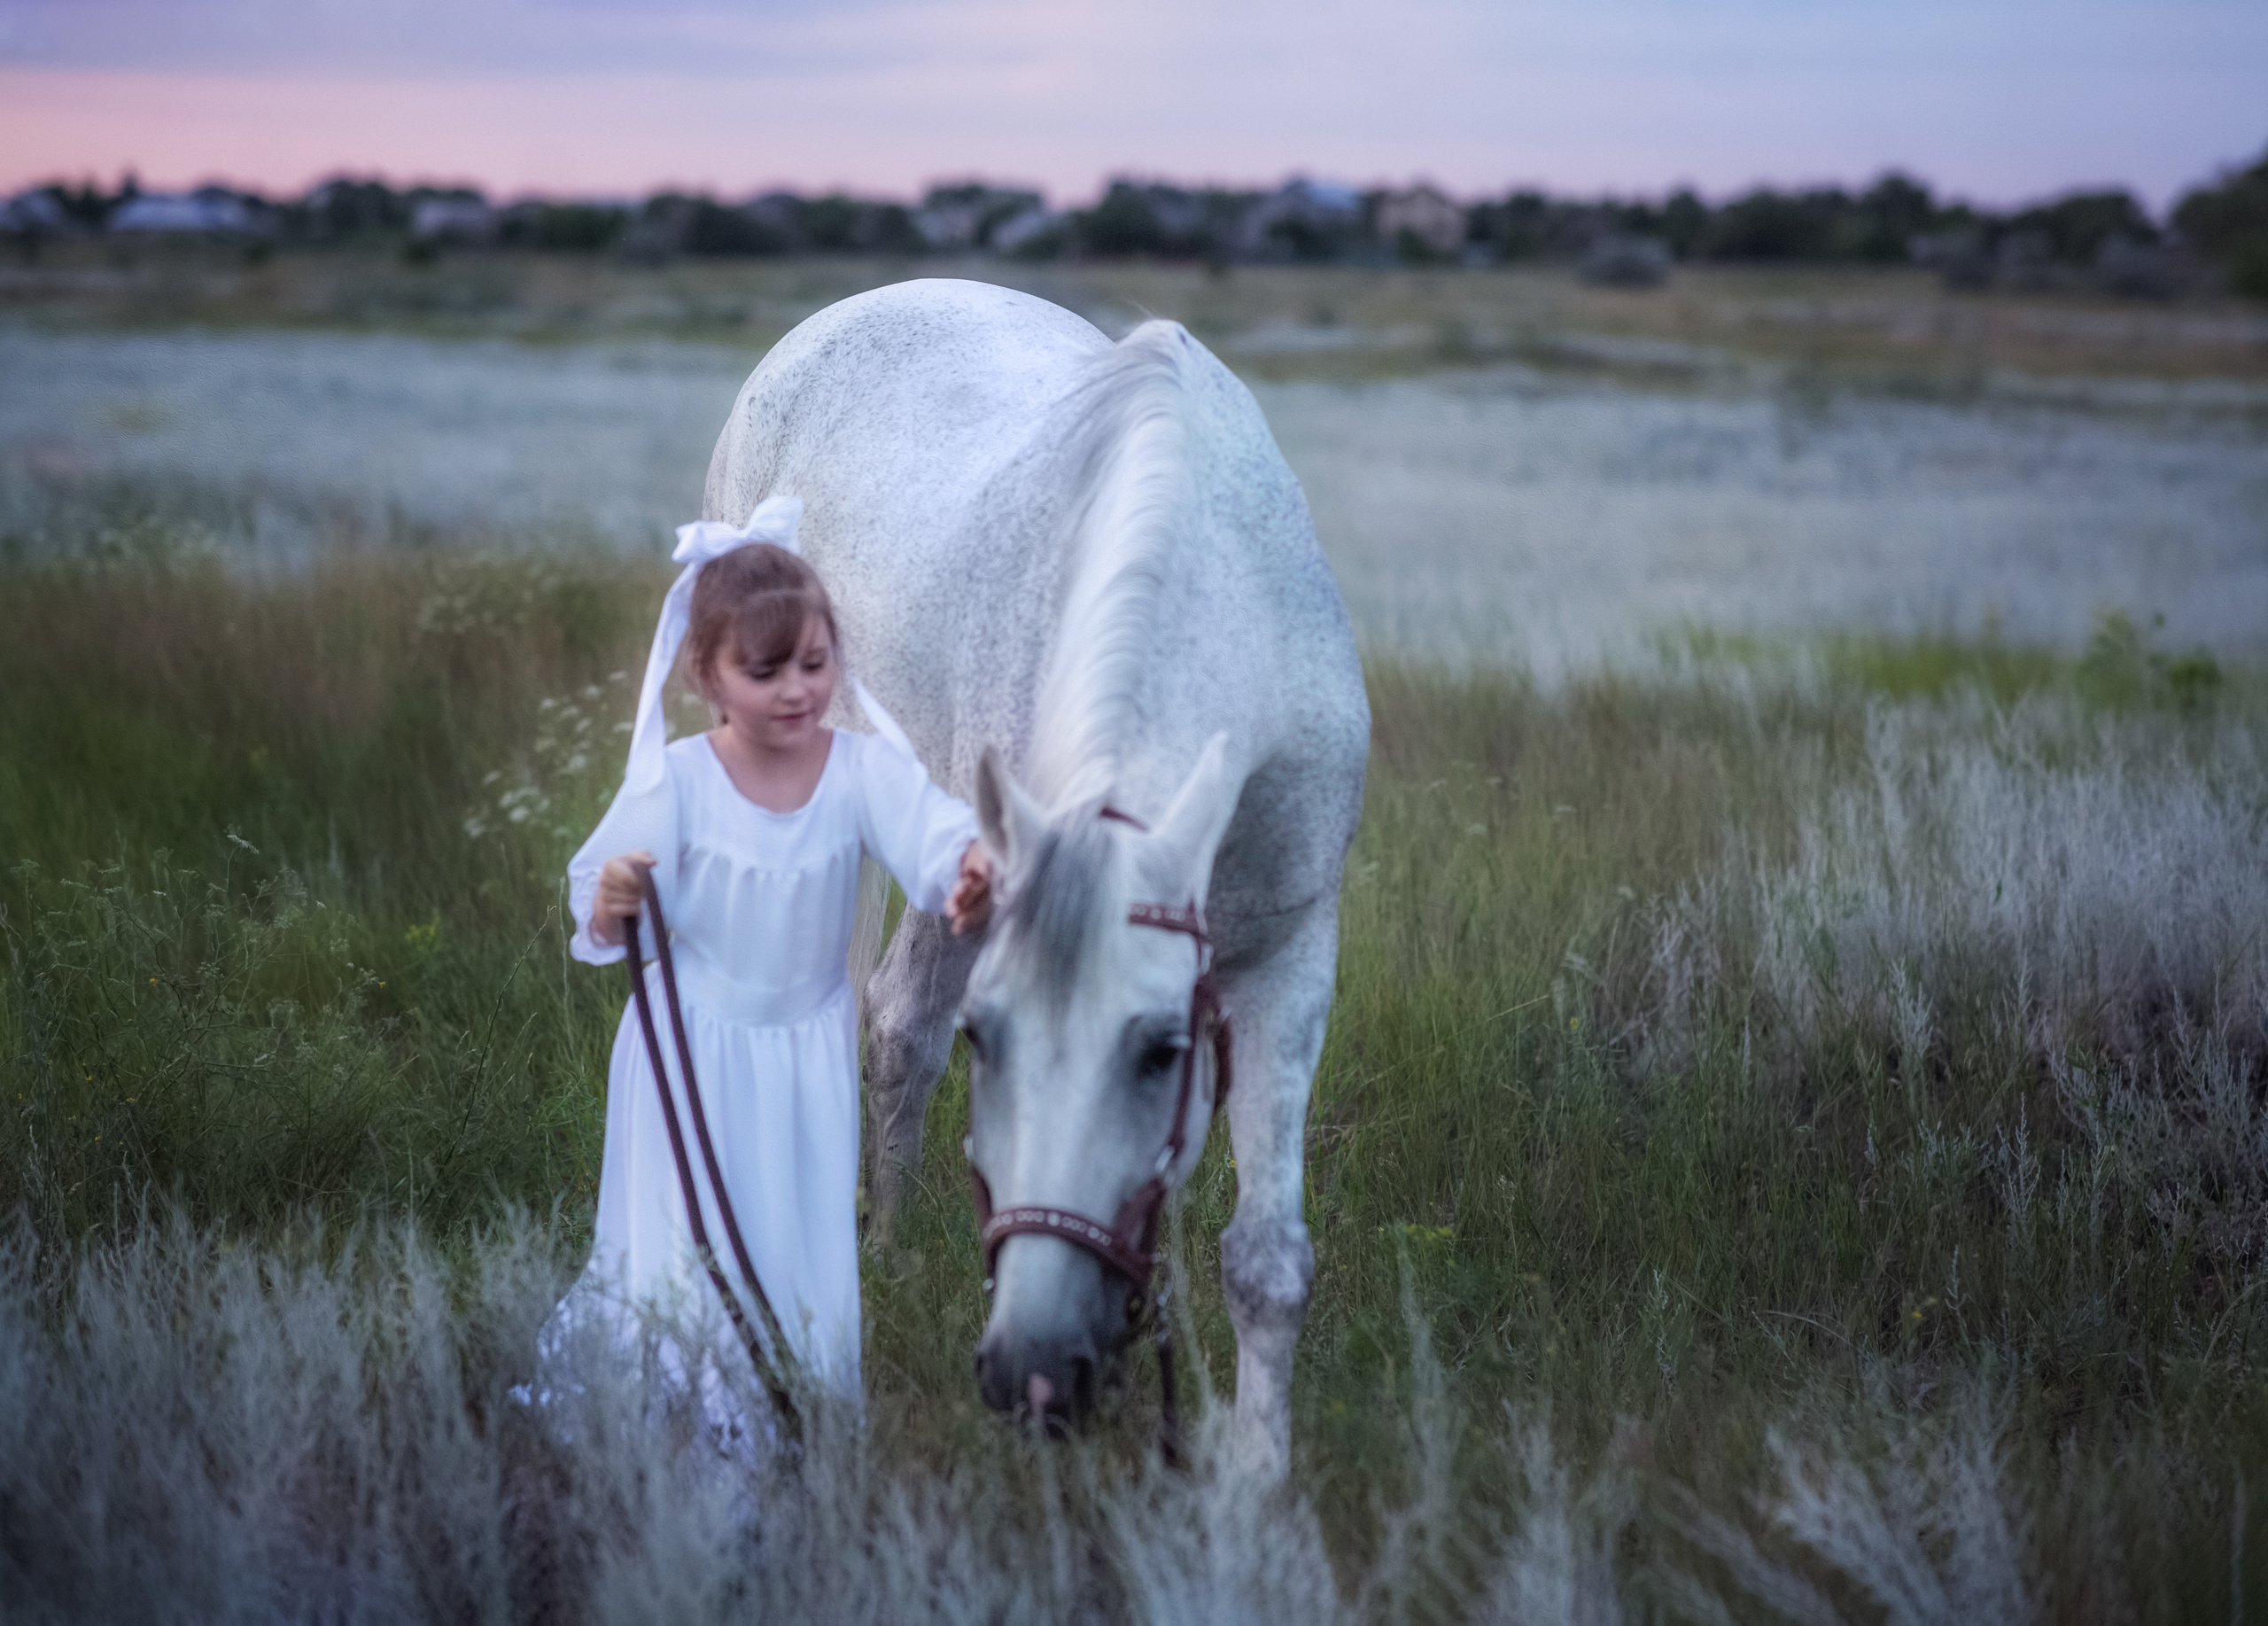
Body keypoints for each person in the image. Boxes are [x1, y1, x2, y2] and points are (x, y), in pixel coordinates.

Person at [540, 495, 991, 1420]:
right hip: (690, 1050)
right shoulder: (681, 778)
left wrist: (968, 868)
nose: (796, 690)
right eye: (766, 670)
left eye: (815, 664)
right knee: (682, 1237)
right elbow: (603, 889)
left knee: (791, 1231)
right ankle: (673, 1405)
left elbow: (931, 830)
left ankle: (788, 1402)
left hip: (804, 1054)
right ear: (706, 673)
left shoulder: (858, 770)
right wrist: (617, 897)